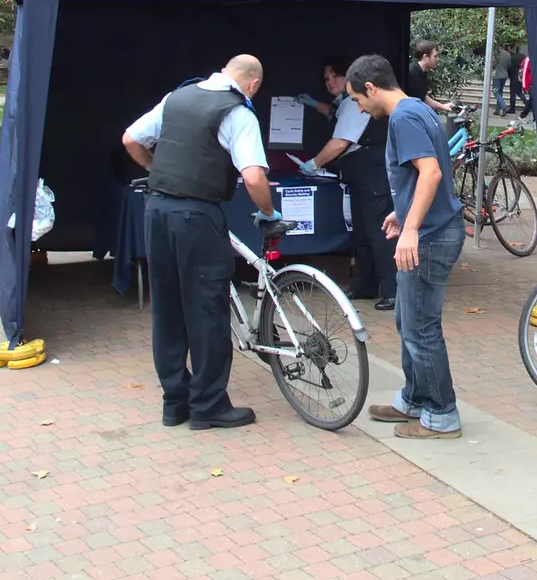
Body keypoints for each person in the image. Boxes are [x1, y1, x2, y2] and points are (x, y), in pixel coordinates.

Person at [122, 55, 279, 430]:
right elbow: (254, 177)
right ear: (252, 84)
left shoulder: (177, 97)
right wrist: (269, 215)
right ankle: (208, 406)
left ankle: (174, 403)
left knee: (168, 309)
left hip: (157, 211)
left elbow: (130, 138)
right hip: (197, 216)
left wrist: (154, 169)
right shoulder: (238, 112)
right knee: (207, 311)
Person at [347, 54, 467, 439]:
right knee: (408, 319)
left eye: (357, 100)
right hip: (433, 229)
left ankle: (441, 414)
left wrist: (411, 228)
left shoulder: (403, 117)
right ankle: (413, 399)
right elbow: (431, 171)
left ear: (370, 88)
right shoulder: (417, 110)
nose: (360, 109)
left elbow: (430, 172)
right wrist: (403, 214)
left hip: (432, 237)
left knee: (421, 328)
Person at [300, 58, 395, 311]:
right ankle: (365, 285)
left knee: (379, 232)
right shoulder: (344, 103)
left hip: (372, 175)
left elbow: (340, 142)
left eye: (335, 77)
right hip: (358, 175)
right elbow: (332, 113)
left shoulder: (355, 105)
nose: (330, 82)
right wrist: (311, 103)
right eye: (326, 79)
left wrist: (314, 163)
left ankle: (394, 291)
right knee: (362, 233)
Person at [404, 40, 453, 115]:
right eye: (435, 56)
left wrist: (443, 106)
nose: (438, 59)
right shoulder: (411, 72)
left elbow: (424, 97)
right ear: (425, 57)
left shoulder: (423, 72)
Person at [492, 45, 512, 116]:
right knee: (500, 92)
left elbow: (492, 64)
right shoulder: (508, 54)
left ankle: (504, 107)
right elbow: (509, 65)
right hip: (504, 75)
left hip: (497, 75)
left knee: (495, 92)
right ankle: (497, 110)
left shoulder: (495, 54)